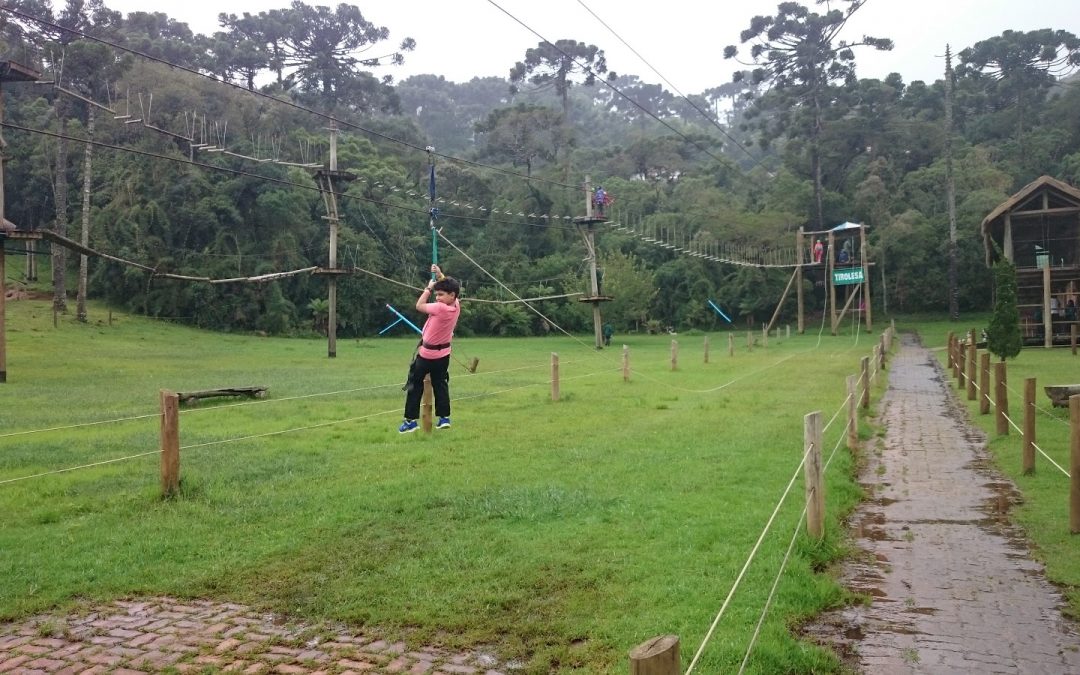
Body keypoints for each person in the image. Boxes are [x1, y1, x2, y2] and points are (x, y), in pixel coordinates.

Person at [399, 264, 461, 433]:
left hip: (427, 356)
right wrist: (440, 275)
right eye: (436, 294)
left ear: (451, 295)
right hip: (444, 355)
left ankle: (410, 421)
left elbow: (419, 305)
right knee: (440, 384)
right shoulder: (456, 307)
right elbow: (450, 288)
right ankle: (444, 418)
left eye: (441, 295)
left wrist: (428, 288)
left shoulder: (440, 308)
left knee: (415, 384)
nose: (438, 298)